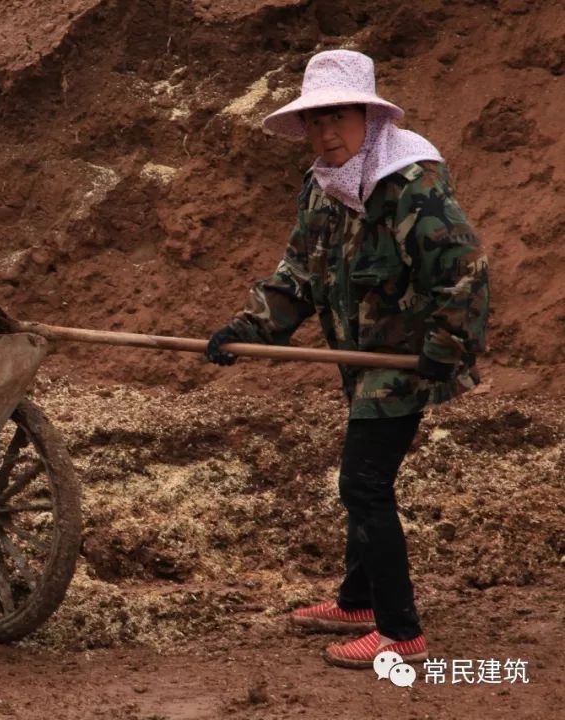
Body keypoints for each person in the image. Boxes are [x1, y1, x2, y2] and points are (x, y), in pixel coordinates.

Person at [205, 50, 490, 669]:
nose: (325, 132)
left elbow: (464, 271)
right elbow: (299, 274)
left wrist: (446, 348)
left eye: (338, 117)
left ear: (368, 116)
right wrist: (246, 328)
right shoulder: (324, 187)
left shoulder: (411, 184)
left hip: (409, 358)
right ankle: (357, 602)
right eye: (314, 120)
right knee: (365, 484)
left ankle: (400, 634)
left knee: (363, 484)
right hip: (359, 359)